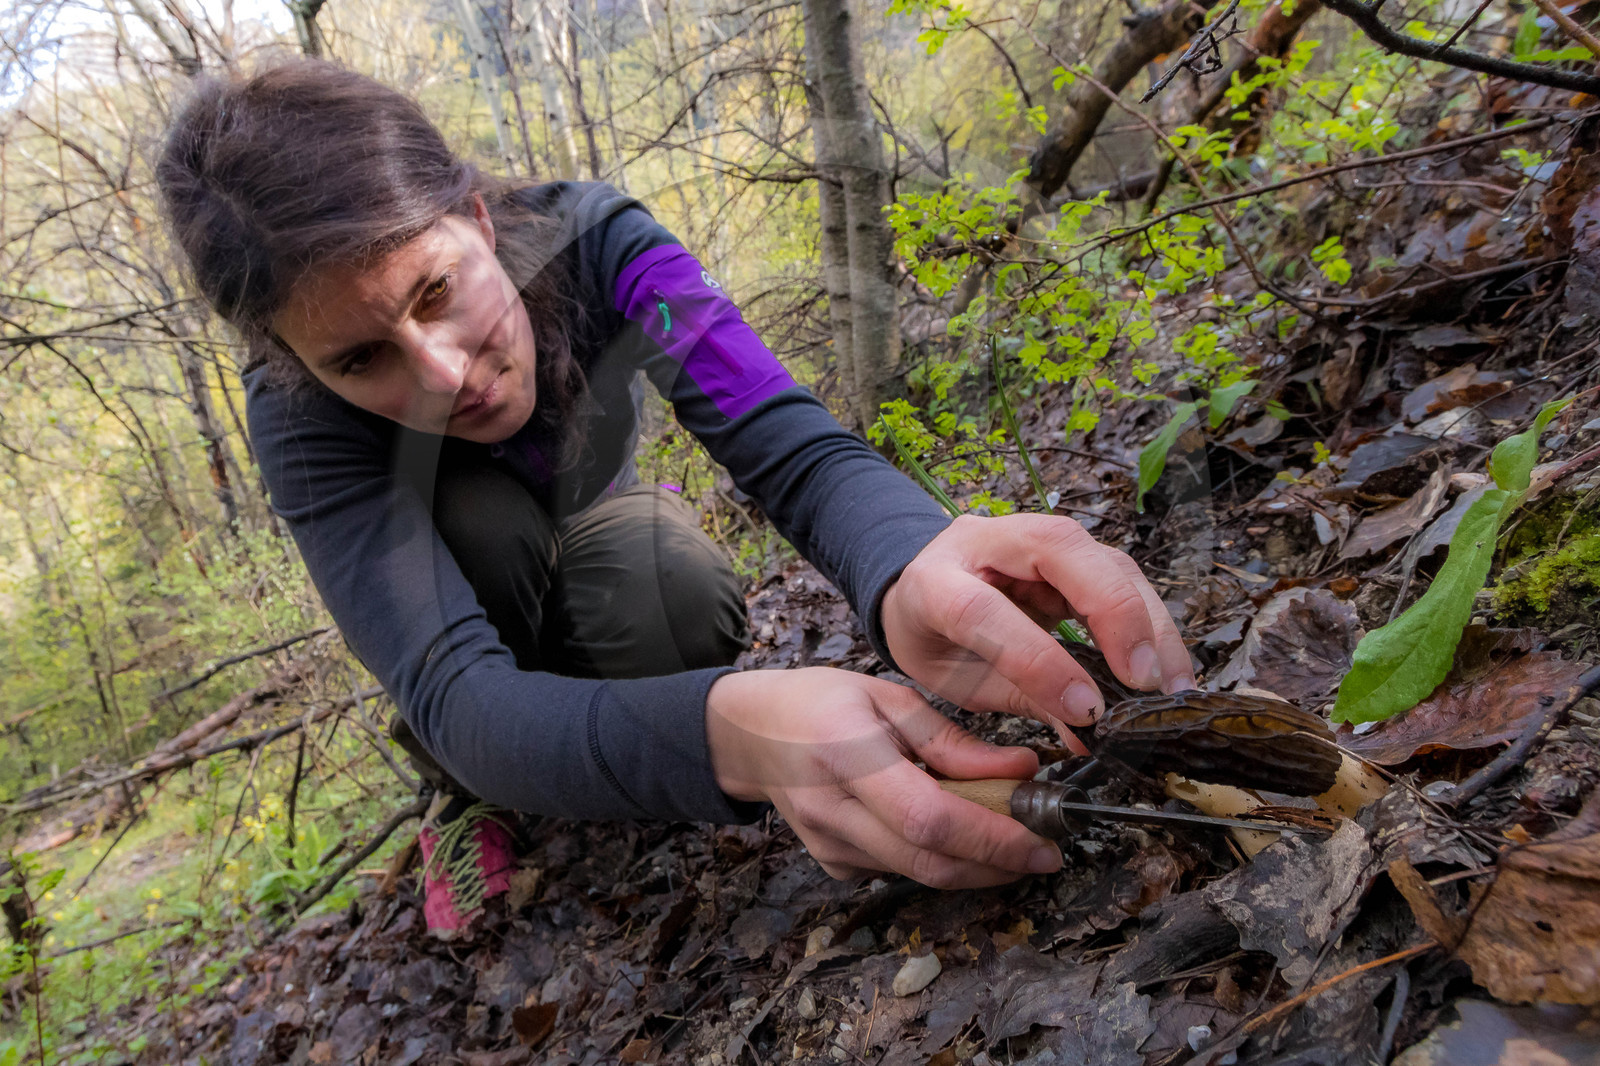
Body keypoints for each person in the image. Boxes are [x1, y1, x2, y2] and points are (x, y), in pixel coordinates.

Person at [157, 59, 1195, 937]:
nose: (439, 375)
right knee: (477, 537)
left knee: (669, 571)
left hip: (599, 551)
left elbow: (782, 441)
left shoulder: (601, 243)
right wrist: (734, 737)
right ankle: (471, 794)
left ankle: (585, 735)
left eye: (436, 290)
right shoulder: (298, 419)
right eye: (359, 359)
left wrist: (911, 559)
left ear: (477, 217)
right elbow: (451, 689)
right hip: (464, 608)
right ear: (299, 364)